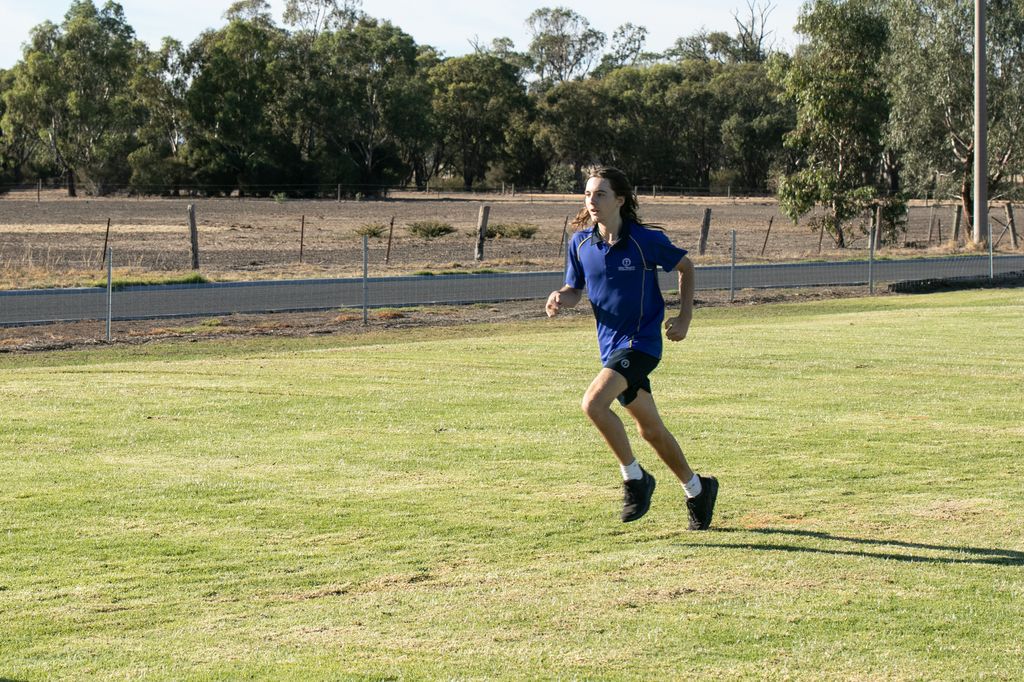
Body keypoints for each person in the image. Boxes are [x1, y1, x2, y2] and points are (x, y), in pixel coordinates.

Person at [545, 167, 718, 529]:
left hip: (642, 344)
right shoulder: (580, 243)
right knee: (650, 430)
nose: (591, 201)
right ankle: (697, 489)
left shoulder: (643, 240)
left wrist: (685, 318)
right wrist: (561, 296)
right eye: (587, 194)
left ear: (620, 200)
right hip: (611, 349)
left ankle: (635, 479)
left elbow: (686, 267)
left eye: (600, 194)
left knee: (593, 403)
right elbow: (575, 290)